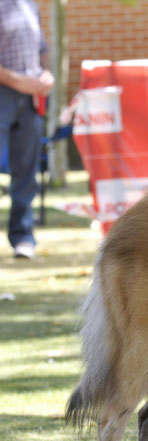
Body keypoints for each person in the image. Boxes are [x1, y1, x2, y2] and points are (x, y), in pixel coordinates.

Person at [0, 0, 55, 259]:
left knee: (27, 171)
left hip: (31, 98)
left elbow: (41, 48)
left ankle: (23, 238)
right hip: (4, 92)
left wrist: (46, 74)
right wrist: (18, 81)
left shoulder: (29, 4)